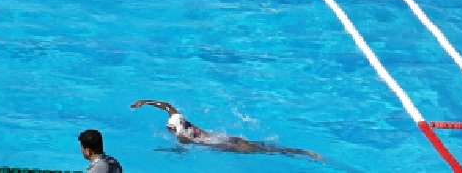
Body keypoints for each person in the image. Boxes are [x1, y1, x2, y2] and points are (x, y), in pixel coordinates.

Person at [129, 101, 320, 159]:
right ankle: (302, 152)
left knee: (269, 151)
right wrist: (145, 102)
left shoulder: (182, 137)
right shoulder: (185, 123)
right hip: (228, 138)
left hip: (227, 146)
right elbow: (167, 106)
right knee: (266, 146)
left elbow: (181, 152)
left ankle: (305, 154)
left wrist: (162, 151)